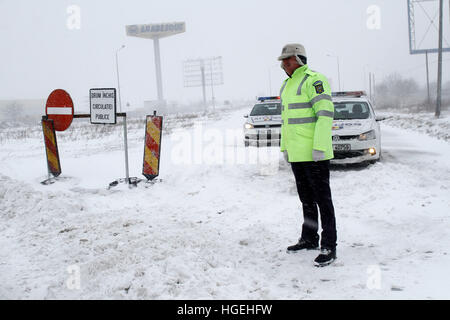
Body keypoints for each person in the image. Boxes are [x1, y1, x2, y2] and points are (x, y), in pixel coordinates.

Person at [278, 43, 337, 267]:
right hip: (297, 155)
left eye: (288, 59)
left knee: (323, 201)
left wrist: (320, 146)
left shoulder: (314, 80)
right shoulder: (286, 85)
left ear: (299, 59)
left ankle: (329, 245)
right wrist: (285, 148)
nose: (284, 64)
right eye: (283, 60)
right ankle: (310, 238)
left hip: (315, 155)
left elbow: (325, 114)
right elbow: (287, 122)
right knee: (306, 200)